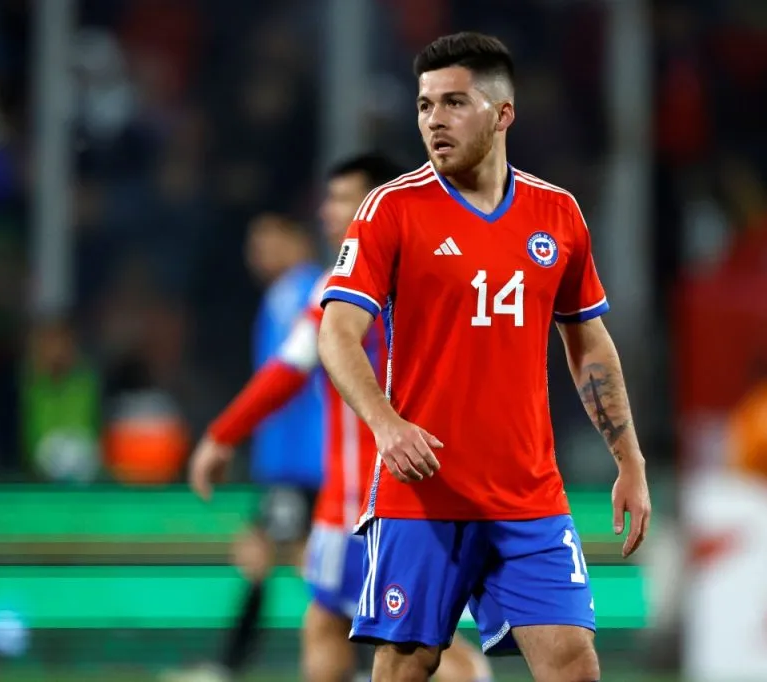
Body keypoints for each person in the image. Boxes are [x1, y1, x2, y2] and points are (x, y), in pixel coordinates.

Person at [315, 33, 653, 681]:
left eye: (453, 103)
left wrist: (629, 460)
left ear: (503, 114)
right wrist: (387, 424)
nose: (433, 121)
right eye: (423, 105)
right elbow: (337, 332)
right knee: (407, 665)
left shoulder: (557, 215)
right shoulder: (392, 210)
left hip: (528, 496)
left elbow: (587, 344)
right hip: (424, 495)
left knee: (575, 664)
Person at [189, 154, 492, 682]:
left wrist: (222, 435)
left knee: (411, 645)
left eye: (342, 200)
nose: (328, 213)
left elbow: (290, 367)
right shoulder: (431, 270)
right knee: (328, 622)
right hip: (360, 499)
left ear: (379, 205)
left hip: (373, 503)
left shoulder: (364, 282)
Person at [165, 214, 325, 682]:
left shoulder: (304, 294)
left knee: (279, 558)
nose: (259, 252)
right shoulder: (281, 297)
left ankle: (227, 667)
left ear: (297, 239)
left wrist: (227, 435)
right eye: (253, 243)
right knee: (282, 558)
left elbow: (289, 379)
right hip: (289, 462)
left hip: (303, 463)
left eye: (270, 239)